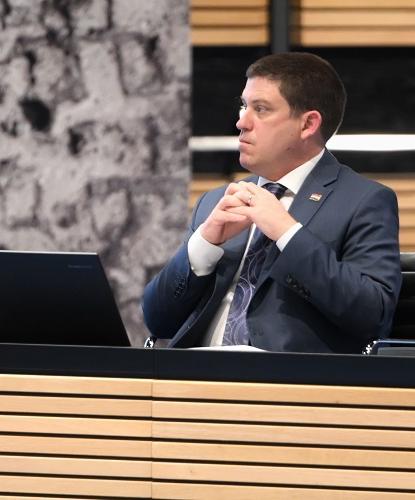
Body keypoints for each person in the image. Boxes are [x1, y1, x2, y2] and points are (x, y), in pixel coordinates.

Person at [141, 52, 401, 354]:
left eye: (261, 109)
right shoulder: (216, 201)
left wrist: (288, 233)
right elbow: (158, 322)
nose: (241, 122)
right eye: (243, 105)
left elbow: (373, 315)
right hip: (195, 374)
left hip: (287, 378)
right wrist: (204, 245)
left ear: (308, 124)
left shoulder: (364, 201)